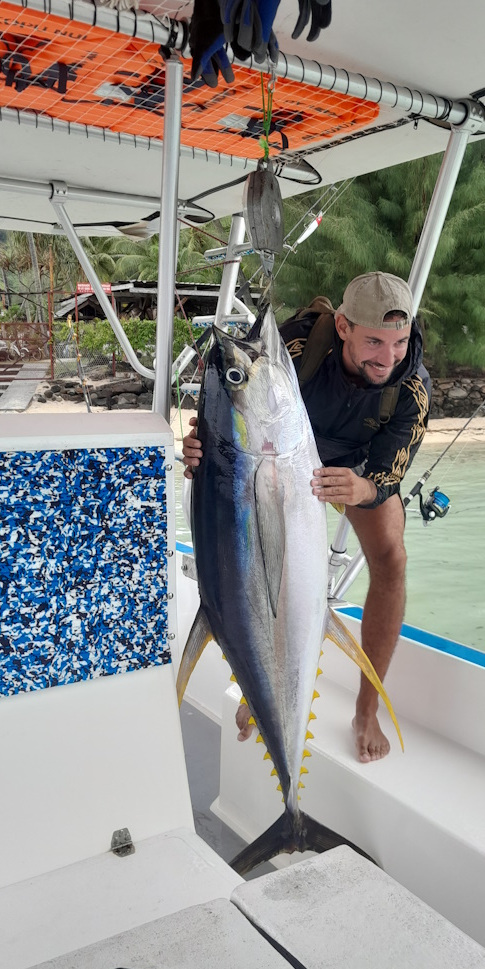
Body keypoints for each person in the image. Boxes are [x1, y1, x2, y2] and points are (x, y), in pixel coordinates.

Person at [182, 271, 431, 763]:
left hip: (352, 468)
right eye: (374, 341)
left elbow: (392, 467)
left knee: (392, 559)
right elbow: (229, 415)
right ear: (342, 326)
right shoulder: (293, 348)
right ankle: (264, 687)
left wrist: (362, 487)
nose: (388, 357)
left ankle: (365, 710)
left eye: (400, 342)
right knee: (257, 563)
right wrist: (202, 447)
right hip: (279, 458)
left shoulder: (413, 389)